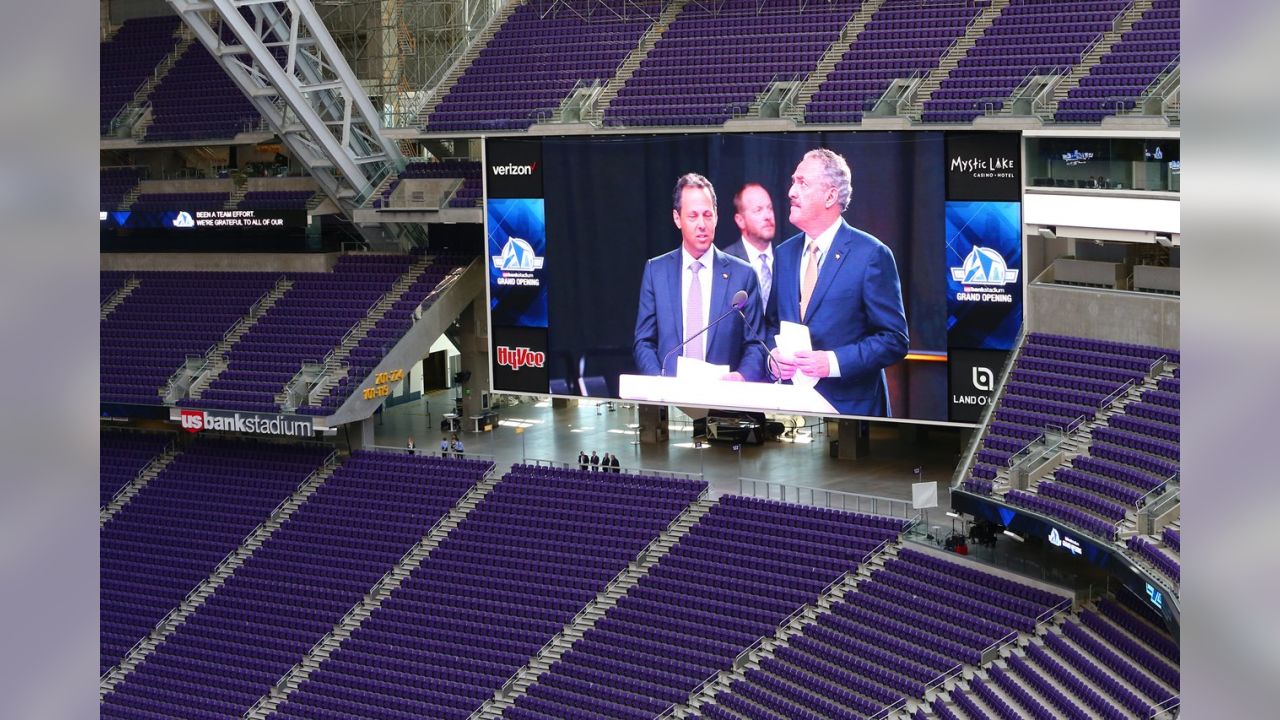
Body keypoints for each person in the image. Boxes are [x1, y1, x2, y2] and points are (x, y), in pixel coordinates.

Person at [765, 149, 909, 417]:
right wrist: (772, 357)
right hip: (790, 410)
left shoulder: (871, 255)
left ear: (830, 196)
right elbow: (772, 323)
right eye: (793, 181)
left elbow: (894, 340)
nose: (790, 192)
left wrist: (831, 362)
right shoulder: (784, 254)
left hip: (850, 415)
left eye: (802, 183)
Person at [634, 173, 767, 381]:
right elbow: (644, 341)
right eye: (693, 216)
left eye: (707, 214)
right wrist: (657, 381)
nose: (702, 224)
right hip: (670, 395)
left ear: (716, 215)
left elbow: (756, 344)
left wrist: (742, 377)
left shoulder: (744, 275)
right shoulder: (656, 271)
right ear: (677, 218)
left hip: (724, 400)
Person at [723, 182, 777, 313]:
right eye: (758, 210)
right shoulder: (726, 263)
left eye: (770, 208)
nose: (767, 216)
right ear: (740, 220)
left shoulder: (788, 258)